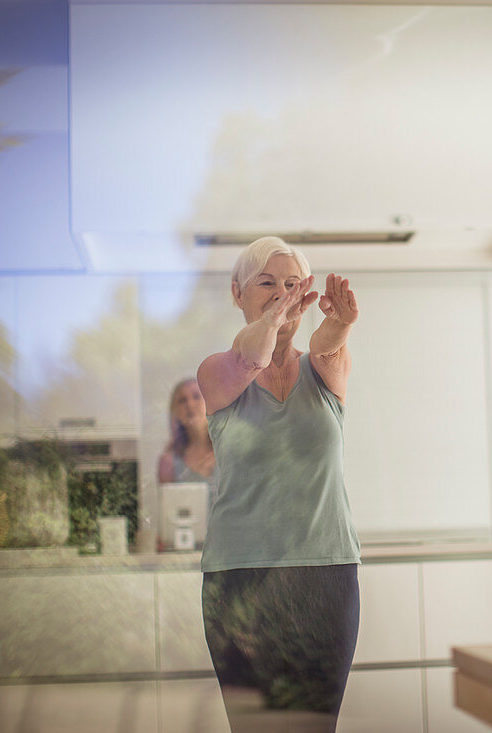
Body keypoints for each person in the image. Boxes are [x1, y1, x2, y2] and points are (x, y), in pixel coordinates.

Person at [196, 236, 361, 731]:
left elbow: (325, 345)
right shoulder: (217, 372)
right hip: (239, 581)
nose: (281, 293)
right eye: (266, 283)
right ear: (237, 293)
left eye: (293, 285)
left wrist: (340, 324)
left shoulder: (326, 371)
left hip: (326, 576)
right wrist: (270, 321)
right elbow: (252, 358)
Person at [157, 377, 216, 486]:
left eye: (196, 397)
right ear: (176, 412)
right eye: (182, 400)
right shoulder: (169, 463)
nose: (190, 405)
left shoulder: (229, 454)